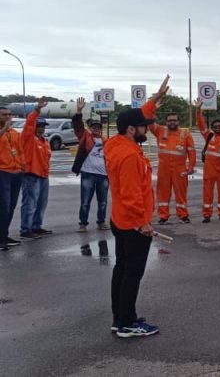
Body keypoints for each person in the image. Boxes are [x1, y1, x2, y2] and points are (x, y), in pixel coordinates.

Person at [107, 98, 160, 338]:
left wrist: (154, 100)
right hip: (133, 224)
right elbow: (131, 194)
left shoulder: (116, 145)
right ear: (131, 129)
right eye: (142, 126)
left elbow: (135, 116)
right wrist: (143, 222)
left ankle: (120, 318)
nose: (146, 129)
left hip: (121, 220)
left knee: (122, 269)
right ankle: (127, 323)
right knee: (132, 273)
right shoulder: (129, 155)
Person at [147, 90, 196, 224]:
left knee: (181, 193)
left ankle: (183, 215)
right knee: (162, 192)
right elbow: (149, 122)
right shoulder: (160, 131)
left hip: (180, 169)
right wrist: (153, 109)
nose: (172, 122)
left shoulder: (185, 134)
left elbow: (192, 152)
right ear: (166, 122)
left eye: (174, 120)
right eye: (169, 120)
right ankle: (163, 216)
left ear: (178, 122)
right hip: (164, 168)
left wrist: (191, 166)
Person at [72, 97, 110, 232]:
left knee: (103, 201)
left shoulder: (107, 142)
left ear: (101, 129)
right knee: (85, 201)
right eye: (93, 127)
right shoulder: (85, 137)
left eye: (98, 127)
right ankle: (83, 224)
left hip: (103, 175)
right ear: (90, 128)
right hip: (88, 174)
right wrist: (79, 111)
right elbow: (77, 126)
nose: (96, 129)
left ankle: (101, 222)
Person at [19, 98, 53, 239]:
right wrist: (37, 109)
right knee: (30, 203)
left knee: (41, 203)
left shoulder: (45, 141)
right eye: (38, 125)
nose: (41, 128)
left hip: (43, 175)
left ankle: (36, 226)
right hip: (31, 175)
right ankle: (26, 229)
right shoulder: (28, 138)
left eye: (43, 126)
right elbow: (29, 123)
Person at [0, 105, 23, 250]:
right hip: (2, 172)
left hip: (16, 172)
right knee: (3, 207)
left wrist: (22, 165)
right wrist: (4, 128)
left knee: (11, 206)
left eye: (9, 114)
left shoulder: (14, 133)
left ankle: (4, 235)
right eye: (4, 115)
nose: (8, 117)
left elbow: (19, 150)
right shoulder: (3, 131)